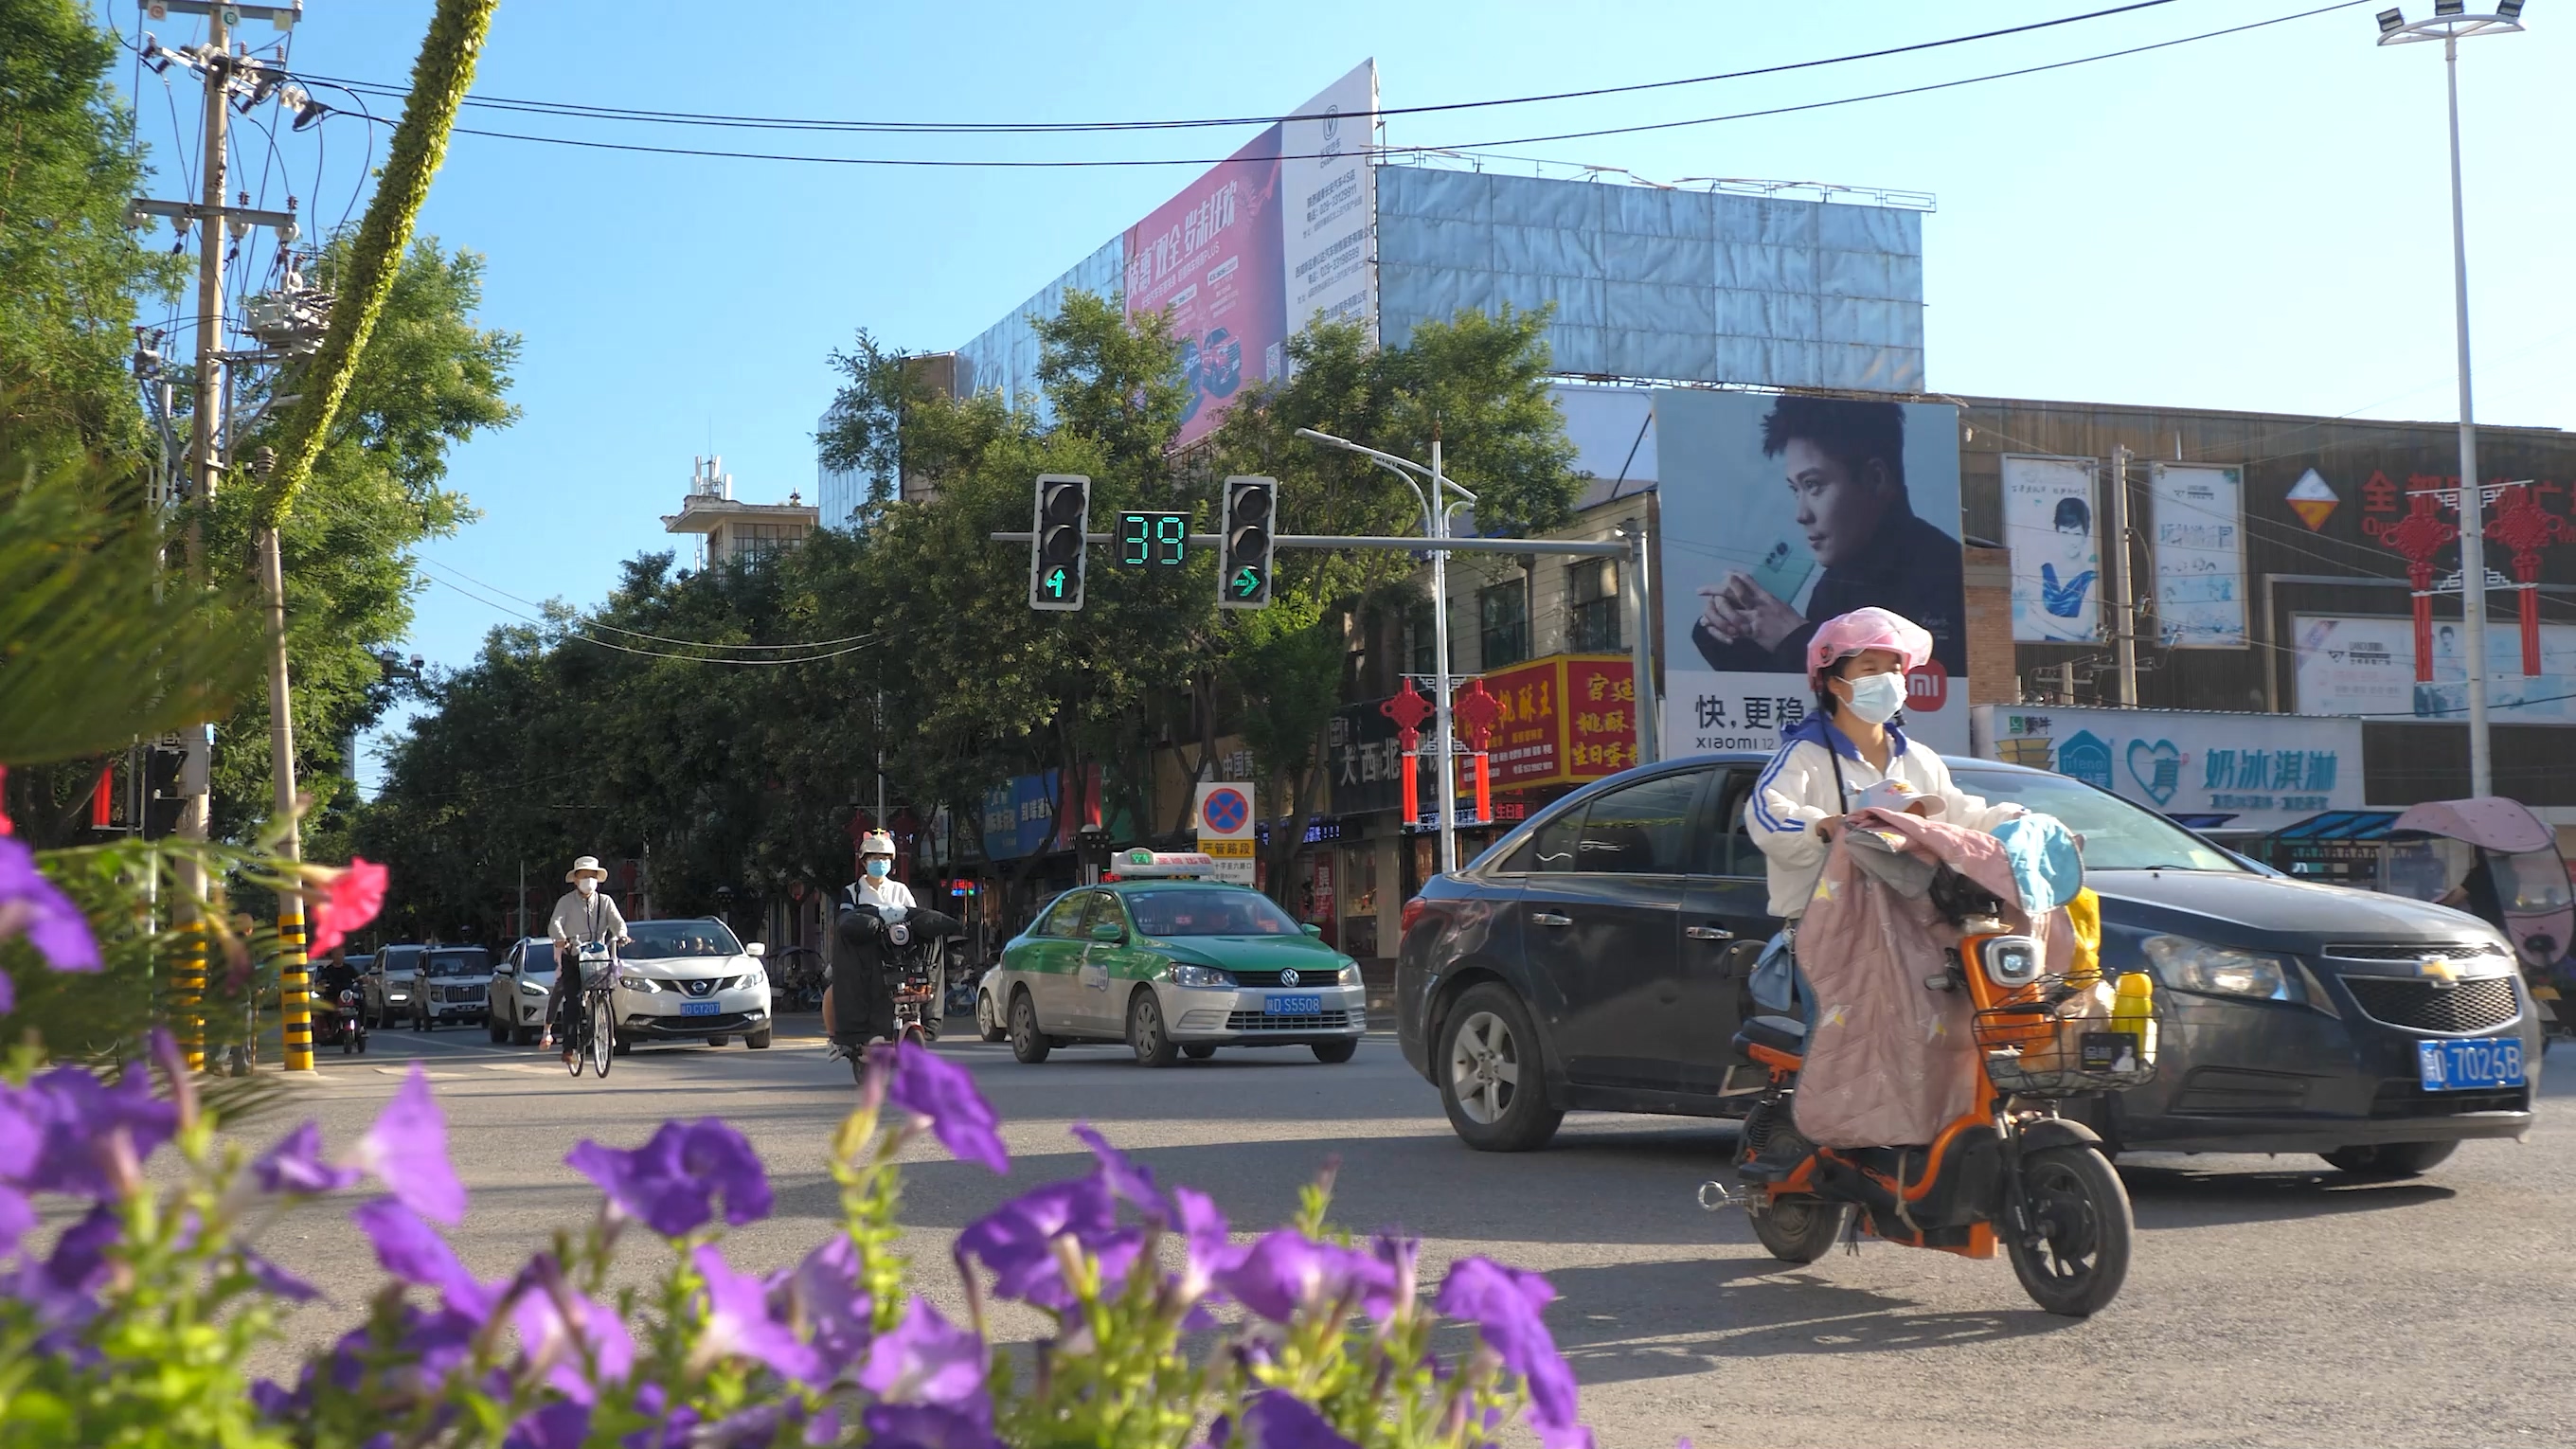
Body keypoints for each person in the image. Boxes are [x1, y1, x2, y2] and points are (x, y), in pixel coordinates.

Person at [1746, 606, 2024, 927]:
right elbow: (1766, 819)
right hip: (1823, 931)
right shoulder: (1803, 756)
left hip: (1911, 931)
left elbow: (1961, 817)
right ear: (1833, 683)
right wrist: (1820, 827)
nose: (1888, 680)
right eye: (1870, 669)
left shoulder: (1919, 758)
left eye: (1894, 669)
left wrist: (2013, 822)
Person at [1692, 398, 1967, 678]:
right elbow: (1799, 694)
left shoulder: (1945, 574)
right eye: (1795, 490)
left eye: (1813, 486)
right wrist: (1729, 630)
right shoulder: (1835, 584)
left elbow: (1910, 697)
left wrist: (1795, 637)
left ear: (1875, 478)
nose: (1801, 514)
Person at [825, 831, 914, 1053]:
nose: (880, 863)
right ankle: (836, 1040)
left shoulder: (900, 890)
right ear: (864, 861)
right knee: (833, 993)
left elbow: (915, 917)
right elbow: (844, 923)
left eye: (884, 859)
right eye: (874, 858)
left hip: (894, 958)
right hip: (858, 958)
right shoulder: (852, 892)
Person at [544, 855, 631, 1066]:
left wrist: (621, 935)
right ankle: (569, 1048)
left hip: (598, 956)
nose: (588, 880)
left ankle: (605, 1027)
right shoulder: (566, 902)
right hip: (573, 956)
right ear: (575, 880)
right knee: (572, 1001)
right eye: (584, 876)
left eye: (592, 876)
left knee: (607, 992)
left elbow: (617, 922)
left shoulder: (605, 901)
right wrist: (561, 939)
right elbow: (554, 923)